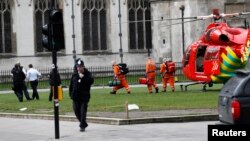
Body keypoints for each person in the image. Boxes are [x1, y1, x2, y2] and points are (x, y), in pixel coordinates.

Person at [70, 59, 94, 132]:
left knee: (83, 112)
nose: (79, 68)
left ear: (83, 67)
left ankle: (82, 126)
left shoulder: (87, 73)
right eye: (78, 67)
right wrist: (71, 94)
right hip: (75, 97)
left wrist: (83, 77)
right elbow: (71, 85)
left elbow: (91, 81)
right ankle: (83, 123)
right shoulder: (74, 74)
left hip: (84, 97)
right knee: (76, 111)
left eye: (80, 67)